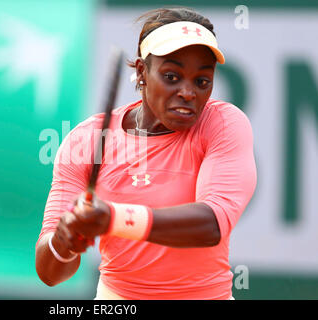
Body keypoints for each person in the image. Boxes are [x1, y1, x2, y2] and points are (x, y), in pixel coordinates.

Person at [35, 7, 257, 300]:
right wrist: (65, 241)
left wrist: (113, 219)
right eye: (171, 76)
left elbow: (212, 224)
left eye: (202, 81)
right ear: (142, 72)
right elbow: (50, 274)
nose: (188, 92)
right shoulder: (86, 141)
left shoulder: (224, 124)